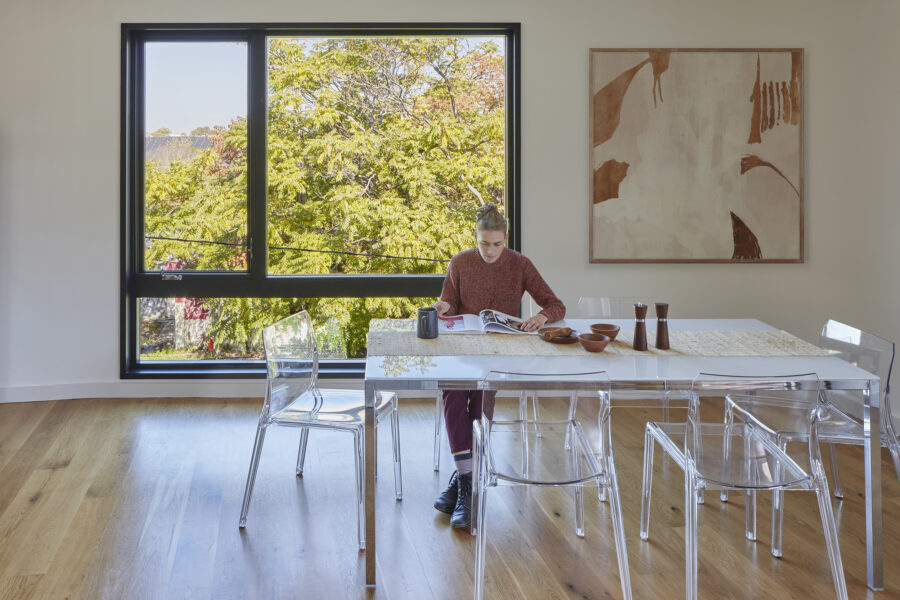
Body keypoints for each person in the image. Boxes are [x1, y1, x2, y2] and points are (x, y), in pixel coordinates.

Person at [431, 202, 566, 528]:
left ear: (506, 238)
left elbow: (555, 304)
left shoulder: (520, 265)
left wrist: (539, 317)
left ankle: (463, 481)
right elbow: (447, 305)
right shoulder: (459, 262)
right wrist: (441, 307)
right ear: (475, 237)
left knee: (480, 394)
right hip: (464, 348)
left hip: (501, 350)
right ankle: (468, 483)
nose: (490, 251)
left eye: (497, 244)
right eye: (484, 243)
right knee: (451, 390)